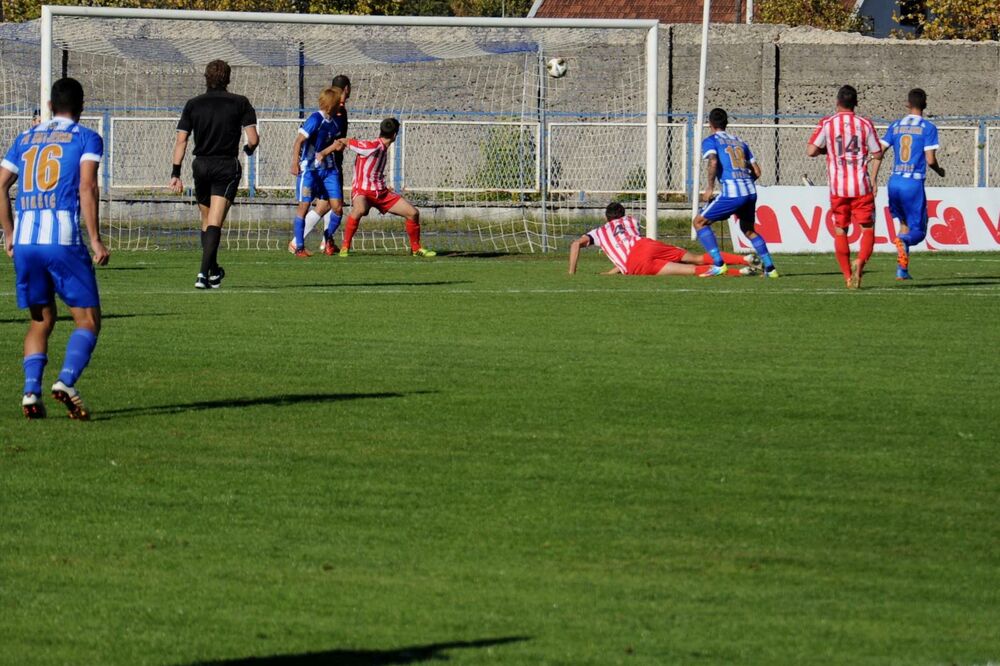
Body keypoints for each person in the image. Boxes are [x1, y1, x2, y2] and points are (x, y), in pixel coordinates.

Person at [0, 78, 109, 419]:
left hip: (27, 240)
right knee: (88, 320)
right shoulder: (86, 137)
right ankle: (66, 381)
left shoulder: (25, 138)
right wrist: (95, 238)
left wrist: (8, 233)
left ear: (49, 105)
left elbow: (1, 184)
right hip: (61, 237)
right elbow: (87, 186)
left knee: (40, 321)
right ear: (81, 107)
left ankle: (31, 391)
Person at [170, 59, 259, 289]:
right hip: (225, 166)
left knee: (207, 221)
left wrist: (175, 173)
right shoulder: (240, 103)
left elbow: (181, 140)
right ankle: (202, 274)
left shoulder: (193, 104)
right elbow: (253, 139)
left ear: (206, 78)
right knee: (216, 222)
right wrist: (248, 150)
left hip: (201, 166)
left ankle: (213, 271)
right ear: (228, 79)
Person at [807, 85, 882, 289]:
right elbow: (877, 153)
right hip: (861, 185)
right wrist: (873, 177)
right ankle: (860, 262)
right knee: (867, 228)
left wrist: (828, 151)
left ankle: (848, 277)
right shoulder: (865, 124)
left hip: (838, 188)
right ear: (856, 103)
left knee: (841, 230)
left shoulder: (828, 123)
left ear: (837, 101)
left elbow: (811, 150)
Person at [869, 88, 945, 280]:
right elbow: (930, 160)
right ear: (925, 104)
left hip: (894, 182)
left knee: (903, 223)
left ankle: (902, 270)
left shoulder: (895, 126)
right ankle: (903, 242)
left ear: (907, 104)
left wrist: (873, 179)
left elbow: (878, 152)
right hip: (913, 183)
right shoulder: (928, 128)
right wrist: (939, 170)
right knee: (918, 231)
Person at [693, 108, 779, 277]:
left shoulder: (711, 141)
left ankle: (719, 264)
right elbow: (757, 171)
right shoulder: (740, 142)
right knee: (748, 229)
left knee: (699, 222)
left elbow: (713, 161)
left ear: (709, 124)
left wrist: (709, 187)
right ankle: (770, 269)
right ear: (726, 123)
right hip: (750, 192)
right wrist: (744, 181)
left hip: (734, 193)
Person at [568, 203, 760, 277]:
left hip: (634, 263)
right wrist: (611, 272)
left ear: (606, 218)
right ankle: (745, 259)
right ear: (622, 214)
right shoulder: (631, 221)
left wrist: (572, 272)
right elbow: (626, 245)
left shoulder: (599, 231)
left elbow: (576, 244)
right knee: (697, 258)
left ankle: (741, 272)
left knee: (691, 271)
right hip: (646, 245)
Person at [335, 118, 435, 257]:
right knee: (359, 209)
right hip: (362, 191)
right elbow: (349, 142)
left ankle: (416, 249)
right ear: (395, 135)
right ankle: (345, 247)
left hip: (381, 193)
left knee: (413, 213)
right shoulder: (372, 146)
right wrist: (340, 143)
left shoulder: (382, 147)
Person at [288, 74, 351, 255]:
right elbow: (299, 141)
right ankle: (298, 245)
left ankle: (327, 238)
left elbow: (332, 143)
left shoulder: (333, 124)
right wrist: (295, 163)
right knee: (305, 206)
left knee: (337, 206)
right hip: (309, 170)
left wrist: (337, 146)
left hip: (329, 170)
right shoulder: (315, 119)